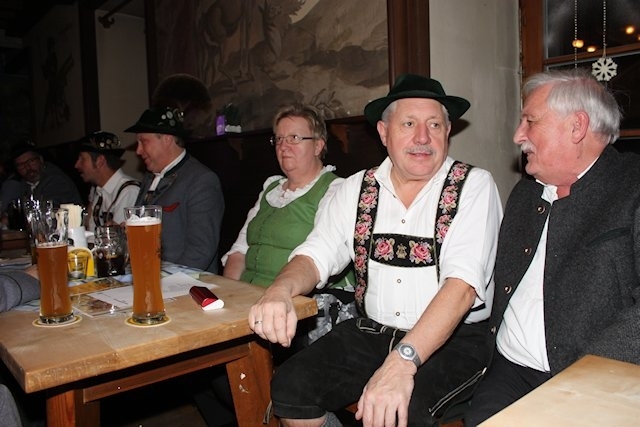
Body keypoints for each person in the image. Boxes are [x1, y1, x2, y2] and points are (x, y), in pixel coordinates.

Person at [249, 74, 503, 427]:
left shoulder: (474, 185)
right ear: (384, 133)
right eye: (409, 124)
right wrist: (280, 289)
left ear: (447, 132)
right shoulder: (356, 188)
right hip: (372, 332)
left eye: (434, 125)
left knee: (402, 413)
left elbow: (461, 288)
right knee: (290, 389)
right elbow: (316, 254)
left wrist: (402, 362)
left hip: (454, 341)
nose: (422, 137)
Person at [465, 69, 640, 426]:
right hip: (510, 370)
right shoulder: (525, 194)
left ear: (577, 126)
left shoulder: (632, 188)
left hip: (597, 378)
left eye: (530, 121)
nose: (518, 135)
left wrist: (584, 374)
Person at [223, 103, 357, 344]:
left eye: (294, 138)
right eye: (279, 139)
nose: (283, 146)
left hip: (299, 308)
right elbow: (240, 250)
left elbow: (321, 255)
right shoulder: (271, 187)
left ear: (318, 145)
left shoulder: (336, 189)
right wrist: (229, 298)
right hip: (248, 302)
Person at [124, 106, 225, 273]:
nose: (138, 150)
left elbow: (200, 252)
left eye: (143, 141)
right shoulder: (150, 177)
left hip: (184, 283)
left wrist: (163, 282)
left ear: (167, 139)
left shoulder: (201, 180)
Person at [74, 131, 140, 232]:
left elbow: (117, 237)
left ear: (100, 161)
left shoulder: (129, 191)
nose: (77, 165)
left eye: (82, 159)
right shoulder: (98, 190)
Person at [10, 139, 82, 207]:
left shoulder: (56, 179)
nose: (27, 167)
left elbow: (48, 209)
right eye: (21, 165)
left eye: (31, 161)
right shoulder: (24, 184)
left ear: (41, 160)